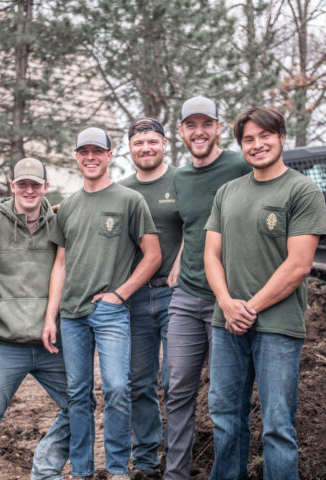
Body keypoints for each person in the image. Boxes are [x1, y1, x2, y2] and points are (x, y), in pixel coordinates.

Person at [203, 106, 326, 479]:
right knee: (225, 418)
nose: (257, 145)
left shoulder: (302, 190)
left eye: (265, 136)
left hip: (277, 325)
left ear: (281, 137)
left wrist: (248, 309)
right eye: (248, 139)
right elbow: (211, 255)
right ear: (241, 145)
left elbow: (299, 265)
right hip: (226, 324)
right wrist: (226, 303)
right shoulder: (227, 192)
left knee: (277, 426)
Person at [42, 127, 162, 480]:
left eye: (98, 151)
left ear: (110, 155)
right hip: (72, 316)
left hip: (110, 312)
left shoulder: (129, 200)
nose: (90, 157)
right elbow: (60, 264)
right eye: (84, 151)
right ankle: (82, 471)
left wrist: (120, 294)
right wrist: (51, 317)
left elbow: (153, 255)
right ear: (77, 157)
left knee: (117, 388)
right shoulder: (68, 206)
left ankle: (117, 468)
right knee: (78, 394)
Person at [164, 95, 252, 480]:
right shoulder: (180, 178)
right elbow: (192, 227)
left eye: (206, 124)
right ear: (181, 131)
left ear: (218, 127)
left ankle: (227, 472)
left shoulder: (240, 165)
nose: (198, 132)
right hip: (186, 296)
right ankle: (176, 473)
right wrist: (179, 262)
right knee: (177, 389)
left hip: (228, 297)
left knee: (226, 396)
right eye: (191, 125)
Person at [0, 158, 69, 480]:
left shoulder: (60, 224)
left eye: (35, 184)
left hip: (51, 343)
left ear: (45, 188)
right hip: (2, 344)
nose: (29, 190)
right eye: (22, 184)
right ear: (12, 186)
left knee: (80, 406)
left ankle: (46, 469)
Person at [119, 117, 182, 479]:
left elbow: (200, 224)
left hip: (178, 296)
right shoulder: (121, 190)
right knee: (138, 383)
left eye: (152, 141)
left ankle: (177, 459)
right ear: (129, 148)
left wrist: (184, 262)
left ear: (164, 144)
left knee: (176, 381)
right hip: (137, 299)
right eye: (138, 143)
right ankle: (146, 461)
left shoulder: (182, 181)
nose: (146, 148)